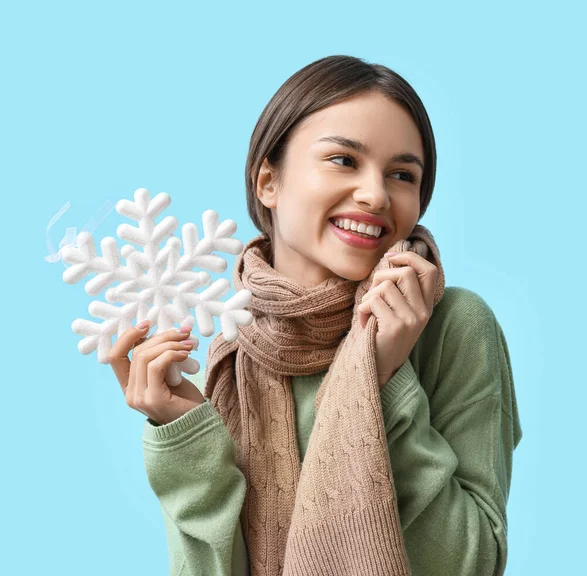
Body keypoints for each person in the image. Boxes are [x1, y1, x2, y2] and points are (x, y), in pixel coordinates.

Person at [109, 55, 523, 576]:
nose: (376, 195)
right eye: (344, 161)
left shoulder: (450, 326)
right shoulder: (232, 354)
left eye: (402, 174)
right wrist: (186, 440)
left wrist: (384, 380)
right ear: (268, 182)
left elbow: (472, 565)